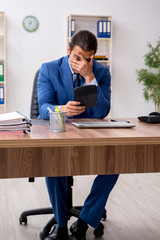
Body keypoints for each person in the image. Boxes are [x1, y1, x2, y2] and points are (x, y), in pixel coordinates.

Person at [37, 30, 119, 240]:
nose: (81, 62)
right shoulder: (49, 69)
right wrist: (61, 109)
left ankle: (83, 222)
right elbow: (43, 108)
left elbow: (101, 112)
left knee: (115, 164)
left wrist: (89, 76)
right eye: (77, 57)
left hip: (90, 136)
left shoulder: (101, 72)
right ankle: (61, 225)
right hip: (60, 134)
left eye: (88, 58)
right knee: (53, 162)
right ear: (68, 51)